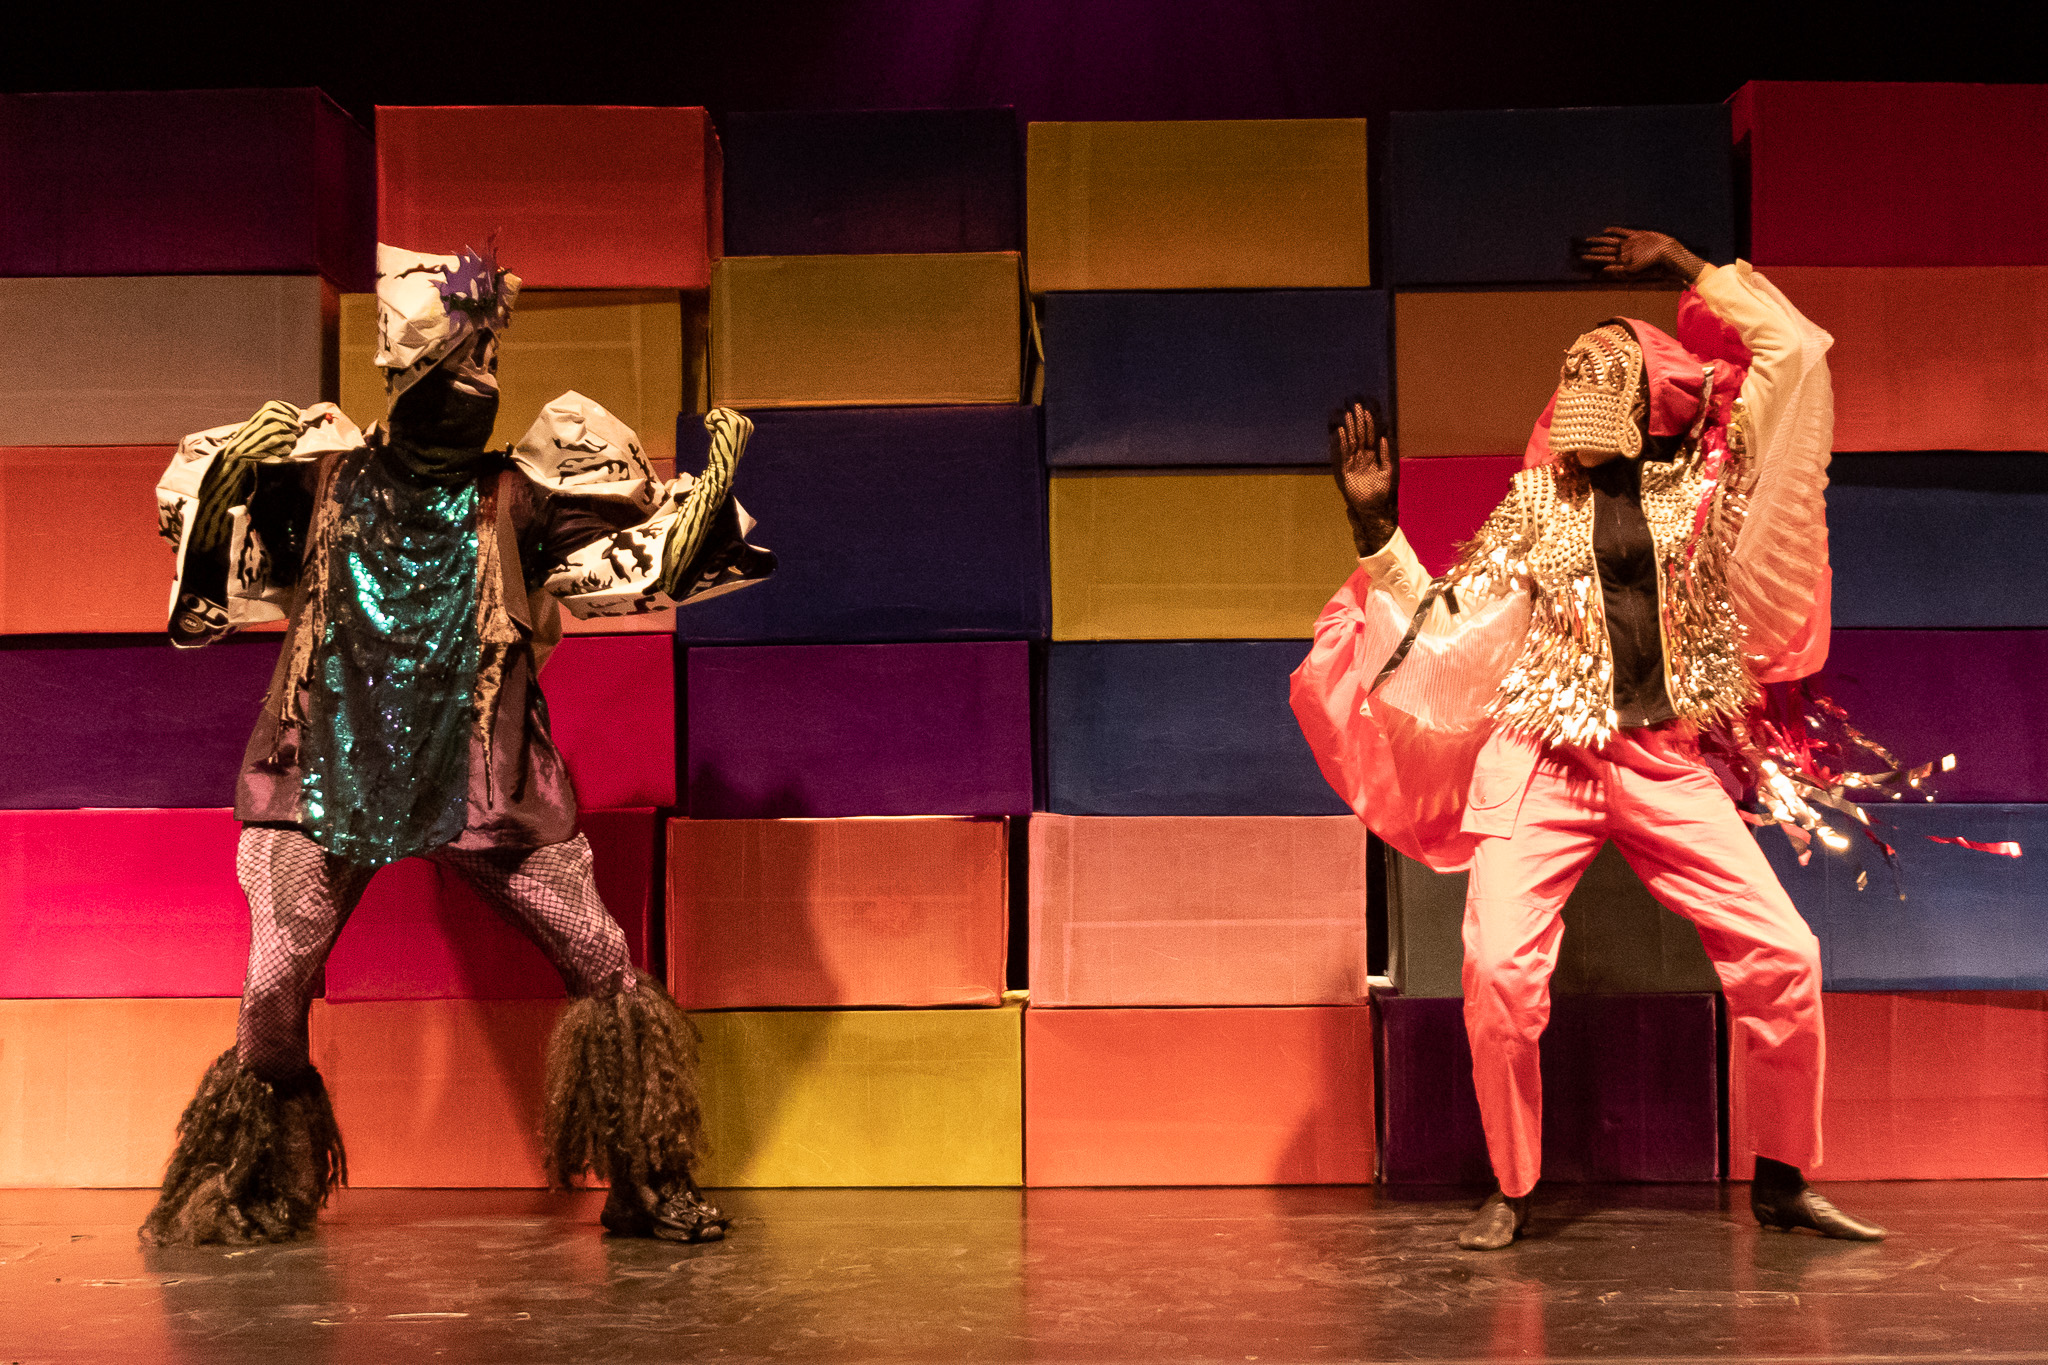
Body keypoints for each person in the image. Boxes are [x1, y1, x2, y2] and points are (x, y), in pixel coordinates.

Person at [142, 244, 773, 1247]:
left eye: (488, 361)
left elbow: (633, 565)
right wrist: (227, 481)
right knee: (272, 981)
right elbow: (216, 566)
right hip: (321, 770)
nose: (477, 380)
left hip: (486, 776)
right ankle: (259, 1179)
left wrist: (698, 505)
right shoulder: (319, 476)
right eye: (459, 361)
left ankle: (648, 1178)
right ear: (405, 373)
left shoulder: (520, 492)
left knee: (600, 955)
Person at [1292, 227, 1886, 1250]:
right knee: (1495, 972)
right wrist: (1375, 531)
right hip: (1540, 762)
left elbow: (1792, 355)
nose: (1579, 389)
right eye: (1571, 373)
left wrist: (1688, 267)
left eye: (1602, 373)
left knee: (1786, 954)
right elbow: (1447, 633)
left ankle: (1783, 1178)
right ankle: (1512, 1184)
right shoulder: (1533, 508)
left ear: (1647, 400)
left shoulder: (1705, 494)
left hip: (1662, 763)